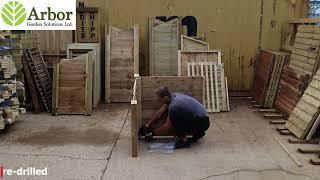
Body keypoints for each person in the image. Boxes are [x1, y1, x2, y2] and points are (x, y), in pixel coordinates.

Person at [139, 86, 211, 149]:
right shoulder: (173, 95)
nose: (158, 101)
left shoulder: (174, 106)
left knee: (175, 117)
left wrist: (152, 133)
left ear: (165, 97)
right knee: (177, 115)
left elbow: (167, 127)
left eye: (159, 99)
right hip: (202, 119)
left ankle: (184, 141)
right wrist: (147, 125)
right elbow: (160, 112)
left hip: (202, 122)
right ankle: (198, 132)